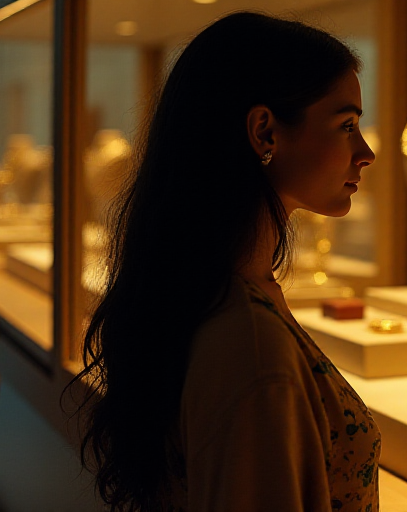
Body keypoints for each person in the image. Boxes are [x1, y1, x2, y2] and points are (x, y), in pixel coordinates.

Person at [70, 12, 378, 511]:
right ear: (265, 132)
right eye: (346, 125)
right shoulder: (250, 343)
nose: (364, 152)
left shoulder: (207, 287)